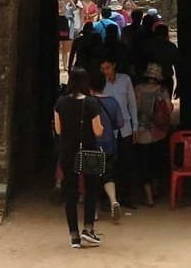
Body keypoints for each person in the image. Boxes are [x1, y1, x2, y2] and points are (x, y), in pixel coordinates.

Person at [53, 67, 105, 248]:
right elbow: (98, 130)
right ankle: (88, 229)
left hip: (67, 152)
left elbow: (58, 130)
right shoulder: (91, 103)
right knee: (91, 190)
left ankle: (74, 236)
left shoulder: (60, 102)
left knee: (71, 193)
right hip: (88, 150)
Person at [99, 56, 139, 210]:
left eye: (107, 68)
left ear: (114, 65)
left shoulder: (125, 80)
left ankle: (127, 198)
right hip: (108, 132)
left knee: (126, 164)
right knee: (110, 166)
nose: (105, 72)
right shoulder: (101, 85)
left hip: (125, 129)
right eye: (102, 69)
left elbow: (132, 103)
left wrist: (135, 126)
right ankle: (110, 200)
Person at [132, 63, 173, 207]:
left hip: (142, 131)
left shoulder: (138, 90)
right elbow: (169, 109)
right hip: (159, 132)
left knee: (144, 164)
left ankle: (148, 197)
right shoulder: (162, 91)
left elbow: (134, 109)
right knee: (157, 162)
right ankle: (156, 190)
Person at [91, 77, 127, 222]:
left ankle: (93, 211)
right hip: (109, 144)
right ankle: (113, 201)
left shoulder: (87, 103)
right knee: (108, 176)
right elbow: (120, 123)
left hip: (92, 144)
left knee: (91, 178)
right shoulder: (112, 102)